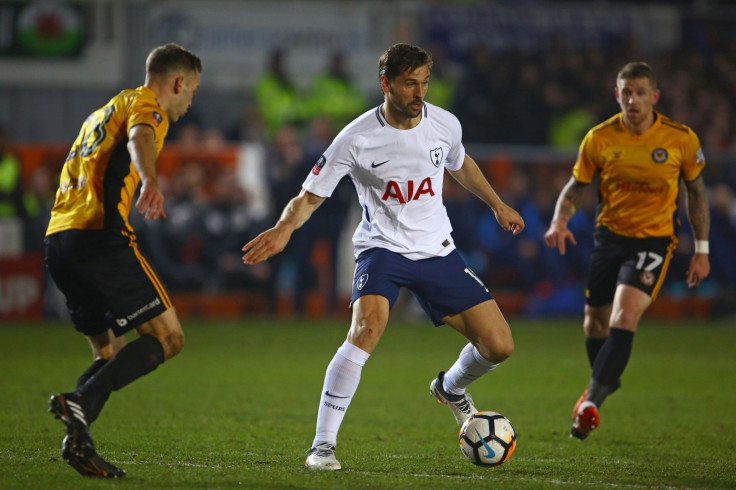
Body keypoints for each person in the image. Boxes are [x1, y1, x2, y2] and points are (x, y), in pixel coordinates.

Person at [242, 43, 525, 470]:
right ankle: (322, 447)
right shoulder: (356, 138)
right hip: (382, 250)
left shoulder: (444, 124)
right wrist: (284, 228)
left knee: (500, 345)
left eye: (425, 82)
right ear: (386, 84)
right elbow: (309, 196)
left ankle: (449, 388)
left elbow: (460, 163)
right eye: (410, 83)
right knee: (366, 330)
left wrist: (497, 204)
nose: (419, 92)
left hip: (436, 250)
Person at [44, 43, 201, 477]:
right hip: (100, 237)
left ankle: (79, 442)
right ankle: (80, 402)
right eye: (193, 90)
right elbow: (141, 137)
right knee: (169, 339)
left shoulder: (99, 113)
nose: (192, 100)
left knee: (107, 351)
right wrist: (151, 180)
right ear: (177, 83)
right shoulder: (147, 106)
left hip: (59, 240)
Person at [544, 62, 711, 441]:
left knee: (625, 313)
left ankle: (591, 402)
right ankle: (604, 380)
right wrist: (559, 221)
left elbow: (697, 193)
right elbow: (576, 186)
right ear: (616, 95)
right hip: (610, 238)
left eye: (639, 93)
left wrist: (701, 249)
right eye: (625, 92)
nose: (632, 99)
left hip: (654, 240)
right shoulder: (600, 138)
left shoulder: (680, 138)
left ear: (654, 97)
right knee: (594, 324)